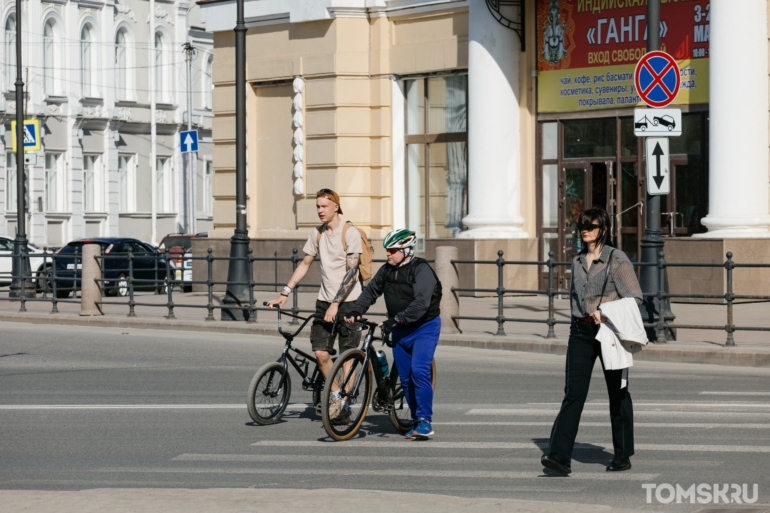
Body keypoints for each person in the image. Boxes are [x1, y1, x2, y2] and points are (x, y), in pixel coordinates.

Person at [541, 207, 643, 475]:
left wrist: (606, 312)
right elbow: (577, 300)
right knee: (573, 393)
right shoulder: (576, 261)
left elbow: (635, 296)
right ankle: (559, 456)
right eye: (582, 225)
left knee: (617, 393)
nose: (585, 230)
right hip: (580, 332)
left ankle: (622, 455)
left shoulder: (617, 259)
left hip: (609, 332)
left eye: (591, 226)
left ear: (604, 229)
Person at [266, 189, 362, 423]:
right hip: (324, 301)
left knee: (348, 357)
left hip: (349, 303)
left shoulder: (350, 233)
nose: (319, 210)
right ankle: (337, 394)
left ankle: (344, 404)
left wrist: (336, 304)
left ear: (336, 207)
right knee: (320, 353)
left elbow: (352, 272)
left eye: (324, 206)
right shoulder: (317, 234)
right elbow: (305, 263)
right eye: (317, 206)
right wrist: (285, 292)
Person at [344, 229, 442, 440]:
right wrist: (356, 310)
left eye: (393, 250)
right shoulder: (387, 270)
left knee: (418, 371)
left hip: (424, 327)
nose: (388, 254)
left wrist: (395, 320)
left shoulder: (421, 269)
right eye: (387, 250)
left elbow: (421, 303)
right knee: (406, 378)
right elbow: (371, 292)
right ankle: (416, 422)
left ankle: (425, 421)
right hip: (400, 329)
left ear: (406, 250)